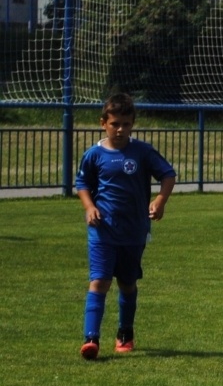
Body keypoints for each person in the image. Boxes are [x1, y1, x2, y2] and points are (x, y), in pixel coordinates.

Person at [74, 92, 176, 359]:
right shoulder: (94, 155)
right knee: (99, 281)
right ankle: (91, 339)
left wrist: (160, 200)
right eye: (115, 123)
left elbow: (167, 174)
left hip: (133, 231)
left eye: (126, 124)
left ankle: (125, 333)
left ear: (133, 124)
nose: (120, 129)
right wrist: (90, 207)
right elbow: (82, 184)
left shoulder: (141, 152)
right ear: (103, 123)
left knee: (127, 283)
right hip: (103, 230)